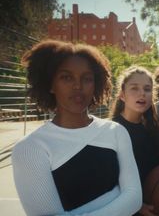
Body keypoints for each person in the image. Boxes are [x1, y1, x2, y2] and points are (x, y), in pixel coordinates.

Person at [11, 40, 142, 216]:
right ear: (50, 84)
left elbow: (134, 198)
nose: (78, 86)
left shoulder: (115, 132)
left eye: (87, 79)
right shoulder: (29, 148)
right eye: (66, 77)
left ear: (96, 84)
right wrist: (117, 197)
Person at [110, 66, 159, 216]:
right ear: (122, 95)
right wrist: (136, 205)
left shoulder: (153, 129)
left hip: (156, 207)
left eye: (147, 89)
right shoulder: (110, 131)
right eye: (134, 88)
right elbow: (106, 181)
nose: (142, 93)